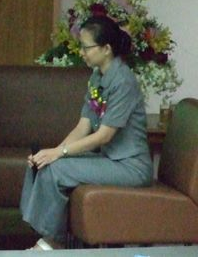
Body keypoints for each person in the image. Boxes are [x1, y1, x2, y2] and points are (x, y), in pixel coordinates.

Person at [20, 15, 153, 251]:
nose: (81, 52)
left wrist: (59, 153)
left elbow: (104, 136)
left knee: (57, 169)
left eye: (86, 47)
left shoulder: (123, 81)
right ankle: (47, 237)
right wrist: (52, 153)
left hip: (131, 166)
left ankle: (52, 242)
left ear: (106, 49)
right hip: (110, 160)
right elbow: (83, 126)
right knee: (44, 164)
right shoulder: (97, 76)